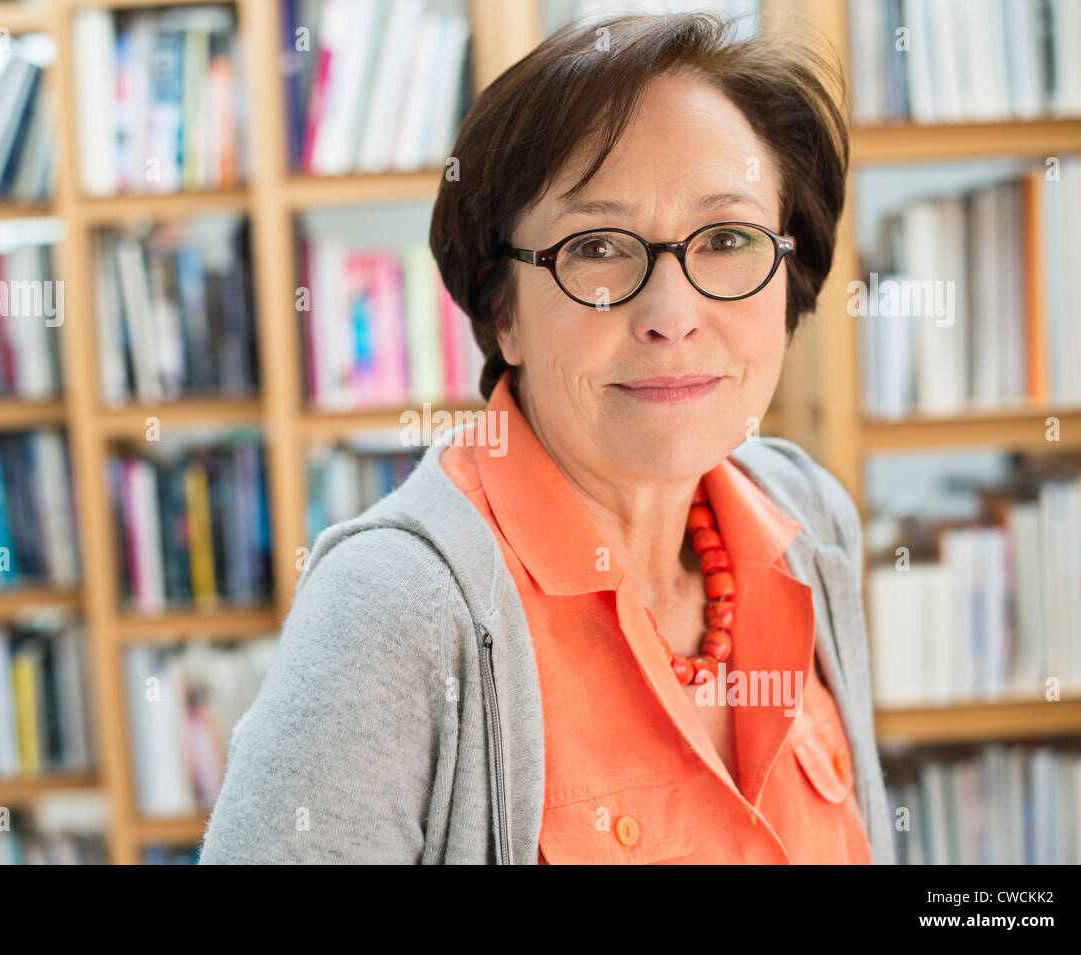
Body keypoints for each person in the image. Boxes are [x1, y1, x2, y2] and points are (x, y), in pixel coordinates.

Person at [200, 11, 893, 864]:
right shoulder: (394, 610)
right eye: (597, 245)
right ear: (503, 311)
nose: (672, 316)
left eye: (725, 239)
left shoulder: (811, 518)